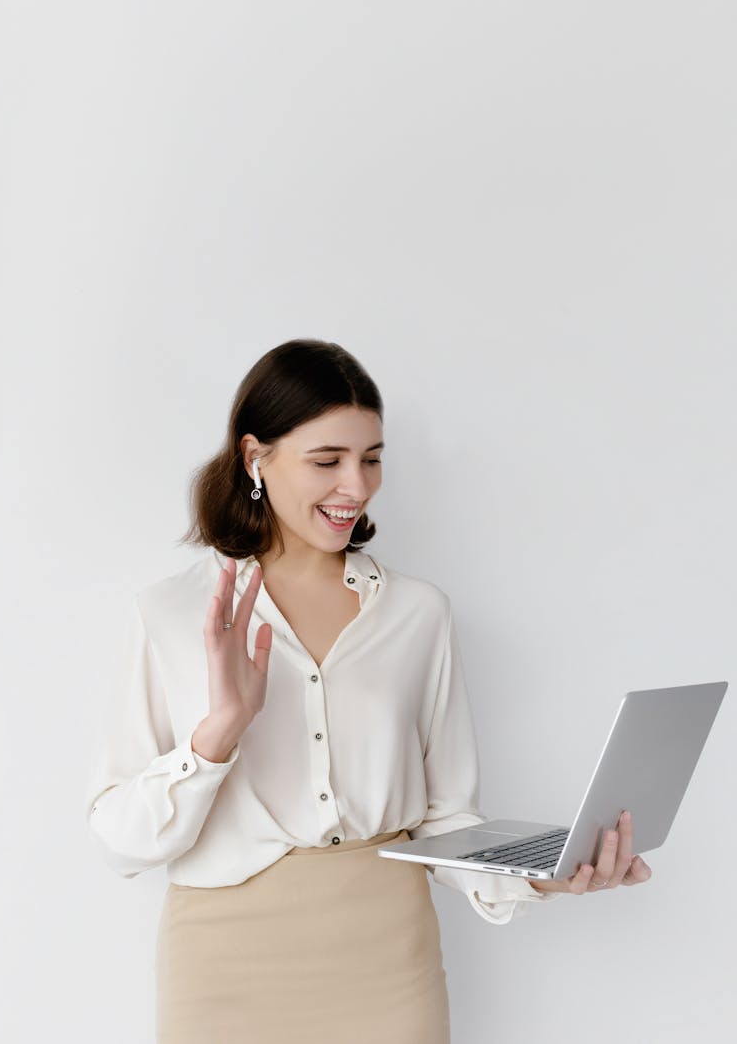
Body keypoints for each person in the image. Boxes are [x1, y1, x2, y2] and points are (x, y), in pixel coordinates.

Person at [84, 338, 652, 1044]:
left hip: (389, 963)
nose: (357, 485)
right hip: (224, 971)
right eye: (328, 460)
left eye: (373, 458)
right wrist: (218, 733)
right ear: (255, 457)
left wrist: (546, 873)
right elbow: (117, 841)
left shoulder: (419, 614)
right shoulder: (170, 614)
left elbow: (446, 821)